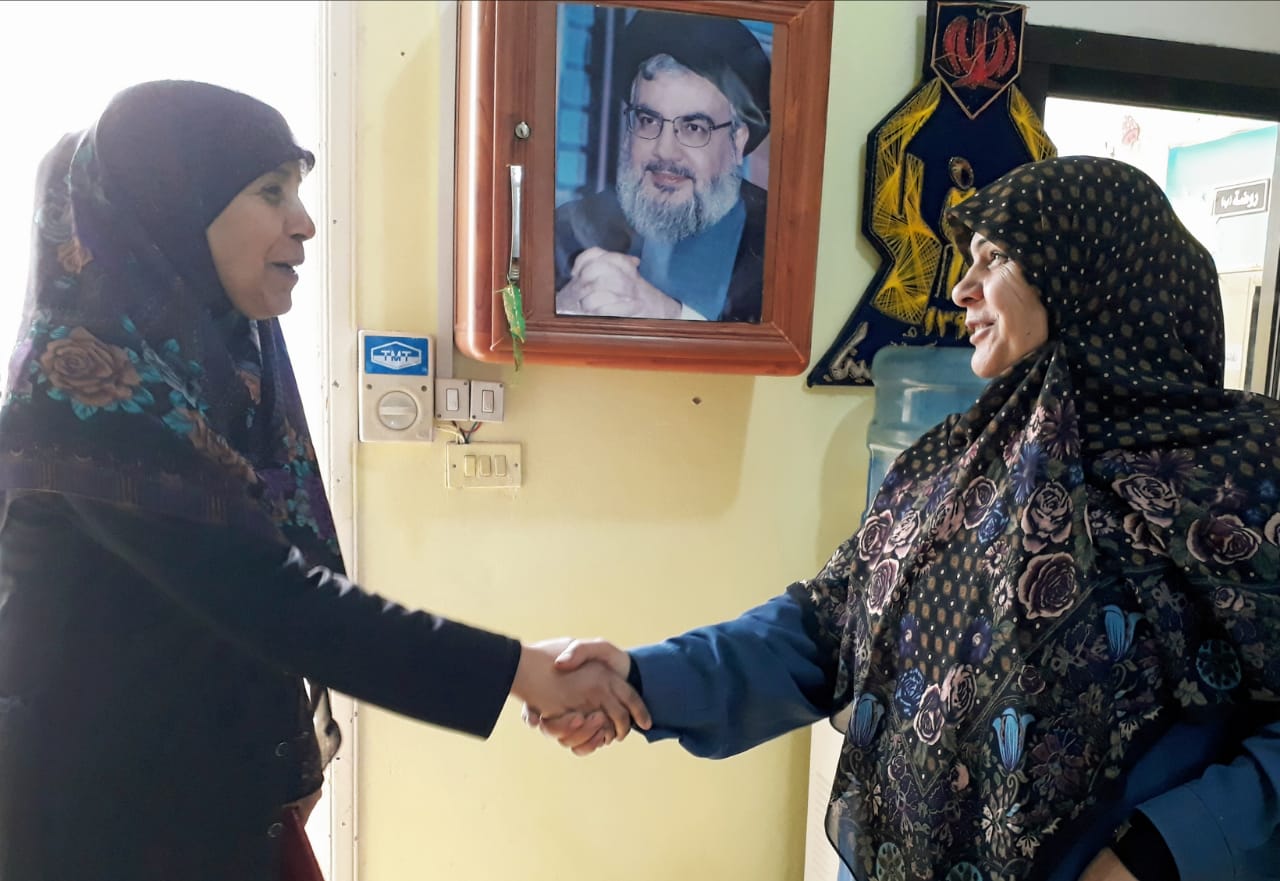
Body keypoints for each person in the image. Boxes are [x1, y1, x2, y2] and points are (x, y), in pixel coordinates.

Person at [531, 156, 1280, 881]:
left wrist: (1162, 852)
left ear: (1088, 273)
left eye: (996, 259)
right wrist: (639, 676)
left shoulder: (1246, 467)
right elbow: (828, 625)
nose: (962, 289)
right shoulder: (951, 462)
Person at [0, 80, 647, 881]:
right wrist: (524, 671)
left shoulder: (214, 370)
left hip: (213, 798)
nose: (305, 222)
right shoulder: (84, 386)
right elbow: (275, 600)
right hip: (96, 825)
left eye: (299, 190)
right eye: (271, 192)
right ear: (173, 206)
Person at [553, 9, 770, 322]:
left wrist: (667, 315)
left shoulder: (780, 243)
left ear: (737, 142)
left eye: (694, 127)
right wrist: (563, 308)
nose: (665, 151)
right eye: (648, 120)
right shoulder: (568, 229)